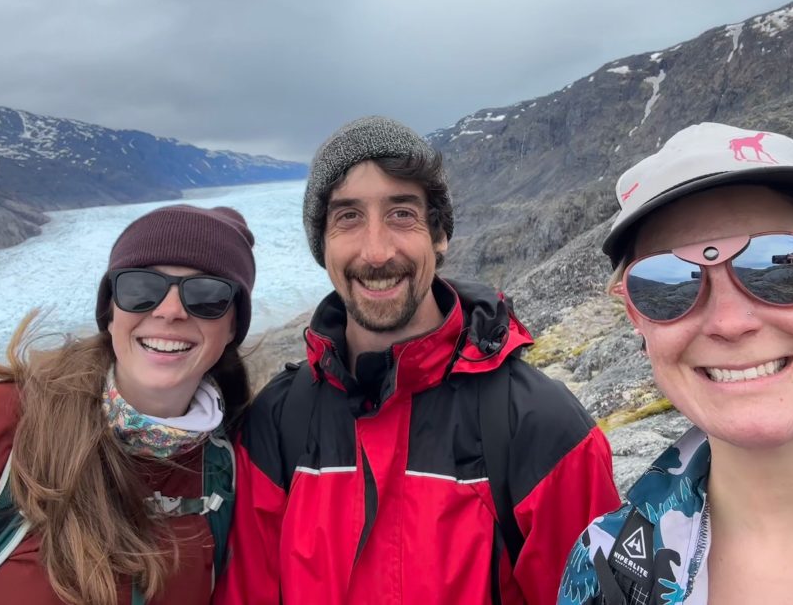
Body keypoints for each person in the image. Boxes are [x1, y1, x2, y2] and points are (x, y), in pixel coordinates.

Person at [218, 115, 620, 605]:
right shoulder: (277, 424)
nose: (377, 250)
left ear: (440, 234)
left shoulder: (542, 429)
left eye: (401, 213)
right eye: (348, 217)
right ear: (322, 247)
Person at [558, 123, 793, 605]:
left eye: (773, 266)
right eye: (670, 282)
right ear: (639, 323)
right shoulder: (606, 565)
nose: (729, 321)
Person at [0, 205, 257, 605]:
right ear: (110, 312)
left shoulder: (225, 469)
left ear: (233, 325)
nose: (170, 311)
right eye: (140, 289)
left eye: (207, 296)